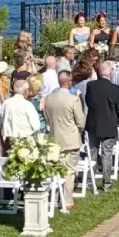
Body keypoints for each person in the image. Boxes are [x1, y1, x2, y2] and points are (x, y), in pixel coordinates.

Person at [42, 69, 85, 213]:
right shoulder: (73, 99)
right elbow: (81, 121)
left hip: (54, 138)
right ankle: (66, 201)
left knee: (56, 170)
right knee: (69, 171)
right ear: (68, 82)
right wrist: (76, 130)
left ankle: (55, 198)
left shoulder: (48, 98)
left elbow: (47, 119)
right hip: (70, 139)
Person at [82, 59, 119, 180]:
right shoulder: (115, 89)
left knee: (92, 153)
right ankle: (107, 182)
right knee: (107, 154)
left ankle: (90, 180)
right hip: (108, 124)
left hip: (93, 123)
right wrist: (113, 117)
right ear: (111, 72)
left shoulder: (91, 86)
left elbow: (89, 102)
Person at [0, 78, 41, 153]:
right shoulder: (27, 105)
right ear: (26, 91)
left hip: (8, 142)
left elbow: (1, 122)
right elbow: (36, 126)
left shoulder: (5, 103)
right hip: (24, 143)